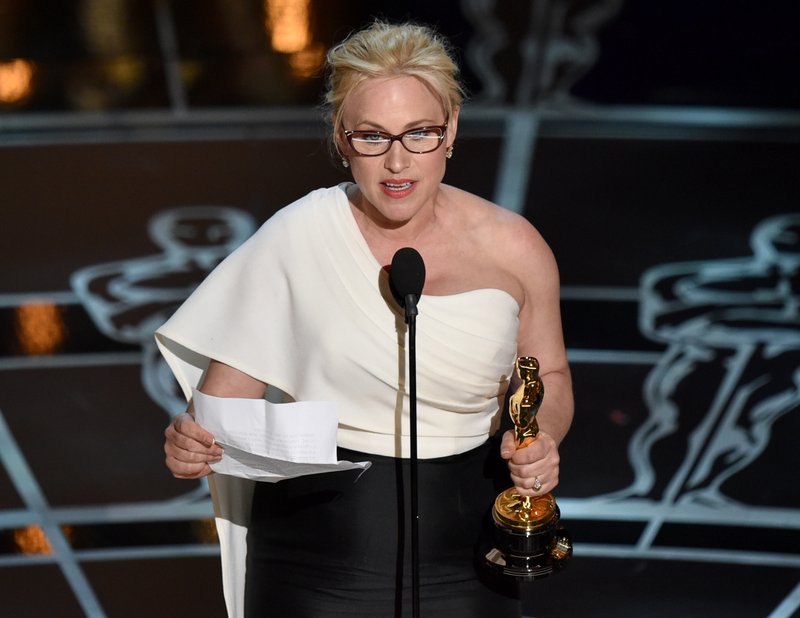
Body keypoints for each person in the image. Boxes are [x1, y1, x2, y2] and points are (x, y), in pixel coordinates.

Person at [157, 20, 573, 618]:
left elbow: (549, 376)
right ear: (341, 137)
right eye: (373, 136)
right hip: (314, 570)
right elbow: (217, 414)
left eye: (420, 133)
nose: (397, 161)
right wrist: (189, 444)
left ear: (451, 128)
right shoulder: (300, 236)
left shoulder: (516, 247)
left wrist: (543, 438)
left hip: (467, 563)